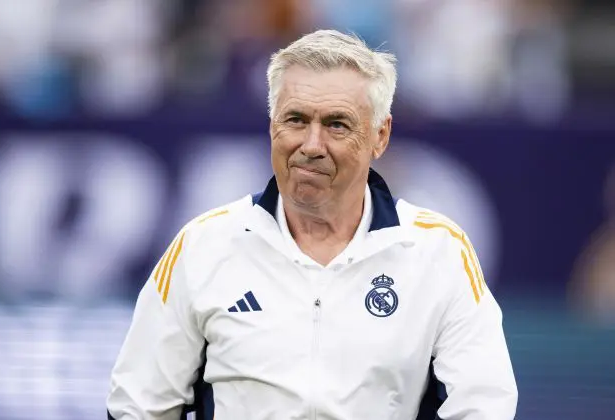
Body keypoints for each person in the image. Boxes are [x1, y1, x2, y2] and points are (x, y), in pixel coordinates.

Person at [107, 29, 518, 420]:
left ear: (380, 135)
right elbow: (138, 406)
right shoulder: (204, 246)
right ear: (272, 126)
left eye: (336, 124)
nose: (311, 145)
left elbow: (482, 407)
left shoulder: (438, 253)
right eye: (296, 120)